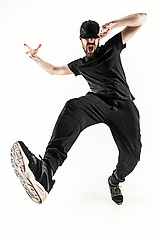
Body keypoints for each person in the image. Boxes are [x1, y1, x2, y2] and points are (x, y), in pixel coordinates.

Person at [11, 13, 147, 205]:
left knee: (132, 157)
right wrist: (36, 59)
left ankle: (115, 180)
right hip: (97, 103)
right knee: (73, 106)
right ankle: (46, 172)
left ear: (98, 38)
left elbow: (142, 18)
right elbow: (55, 70)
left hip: (124, 105)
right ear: (81, 40)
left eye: (93, 38)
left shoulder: (112, 47)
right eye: (86, 39)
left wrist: (115, 24)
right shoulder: (81, 64)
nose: (90, 42)